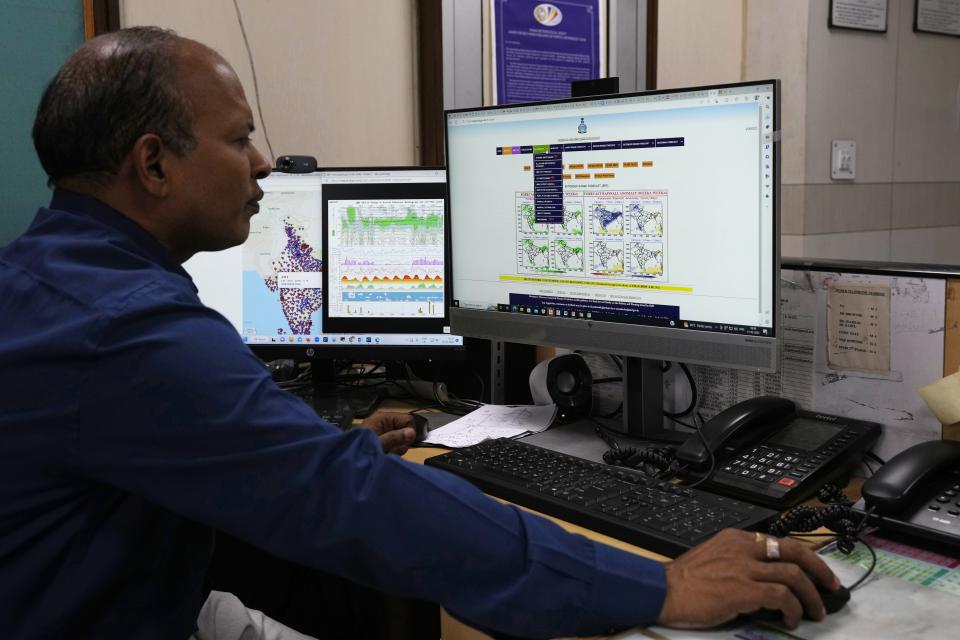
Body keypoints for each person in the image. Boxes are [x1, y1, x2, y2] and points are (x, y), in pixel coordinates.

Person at [0, 27, 841, 639]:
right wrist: (659, 584)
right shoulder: (124, 331)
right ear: (153, 165)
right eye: (239, 137)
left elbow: (252, 459)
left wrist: (300, 447)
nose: (262, 163)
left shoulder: (55, 279)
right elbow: (350, 501)